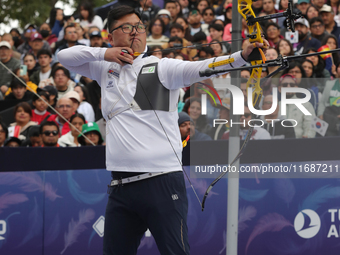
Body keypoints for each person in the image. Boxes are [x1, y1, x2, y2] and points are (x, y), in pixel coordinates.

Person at [57, 5, 267, 255]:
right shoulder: (104, 68)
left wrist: (242, 57)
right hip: (121, 187)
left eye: (139, 27)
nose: (135, 32)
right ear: (111, 36)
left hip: (162, 183)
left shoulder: (161, 67)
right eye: (126, 28)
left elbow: (203, 67)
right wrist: (106, 53)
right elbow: (64, 56)